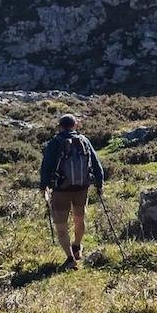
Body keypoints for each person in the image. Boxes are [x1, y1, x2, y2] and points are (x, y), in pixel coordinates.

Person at [39, 114, 105, 269]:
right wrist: (99, 184)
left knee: (61, 225)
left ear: (59, 126)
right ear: (75, 125)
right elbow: (96, 163)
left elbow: (46, 167)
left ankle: (70, 259)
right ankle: (77, 246)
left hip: (61, 189)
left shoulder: (54, 143)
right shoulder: (84, 141)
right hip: (82, 187)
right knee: (79, 218)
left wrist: (44, 187)